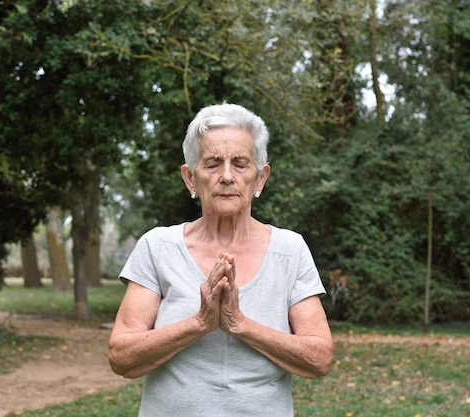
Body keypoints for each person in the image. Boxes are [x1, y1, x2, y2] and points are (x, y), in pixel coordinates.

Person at [108, 103, 333, 417]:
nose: (227, 176)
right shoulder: (158, 246)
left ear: (260, 178)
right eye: (213, 163)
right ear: (190, 178)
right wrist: (199, 323)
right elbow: (121, 356)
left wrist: (240, 325)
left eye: (240, 163)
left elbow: (320, 357)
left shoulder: (289, 250)